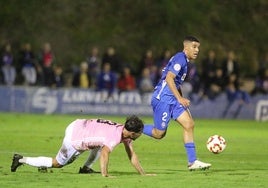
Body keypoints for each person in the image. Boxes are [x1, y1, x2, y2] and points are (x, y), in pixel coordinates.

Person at [142, 36, 211, 170]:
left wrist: (180, 98)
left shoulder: (185, 61)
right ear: (186, 47)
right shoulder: (180, 58)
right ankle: (135, 127)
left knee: (189, 124)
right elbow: (169, 78)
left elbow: (176, 82)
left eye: (198, 48)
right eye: (194, 46)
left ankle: (192, 162)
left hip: (172, 100)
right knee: (159, 134)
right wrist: (180, 99)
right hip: (162, 99)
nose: (197, 50)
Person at [11, 115, 153, 177]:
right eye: (140, 132)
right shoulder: (114, 137)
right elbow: (105, 154)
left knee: (99, 145)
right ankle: (21, 159)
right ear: (133, 133)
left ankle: (86, 168)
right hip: (76, 137)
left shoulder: (123, 131)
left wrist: (143, 173)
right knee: (58, 163)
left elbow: (132, 155)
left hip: (79, 124)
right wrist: (105, 175)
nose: (142, 133)